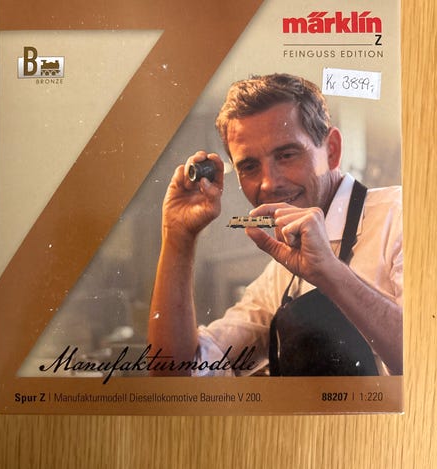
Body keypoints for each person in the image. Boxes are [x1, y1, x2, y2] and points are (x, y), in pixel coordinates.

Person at [147, 73, 403, 377]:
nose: (269, 183)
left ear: (331, 150)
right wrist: (178, 237)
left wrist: (330, 273)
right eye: (250, 166)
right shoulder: (279, 276)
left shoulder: (403, 217)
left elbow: (428, 359)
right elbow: (178, 375)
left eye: (286, 155)